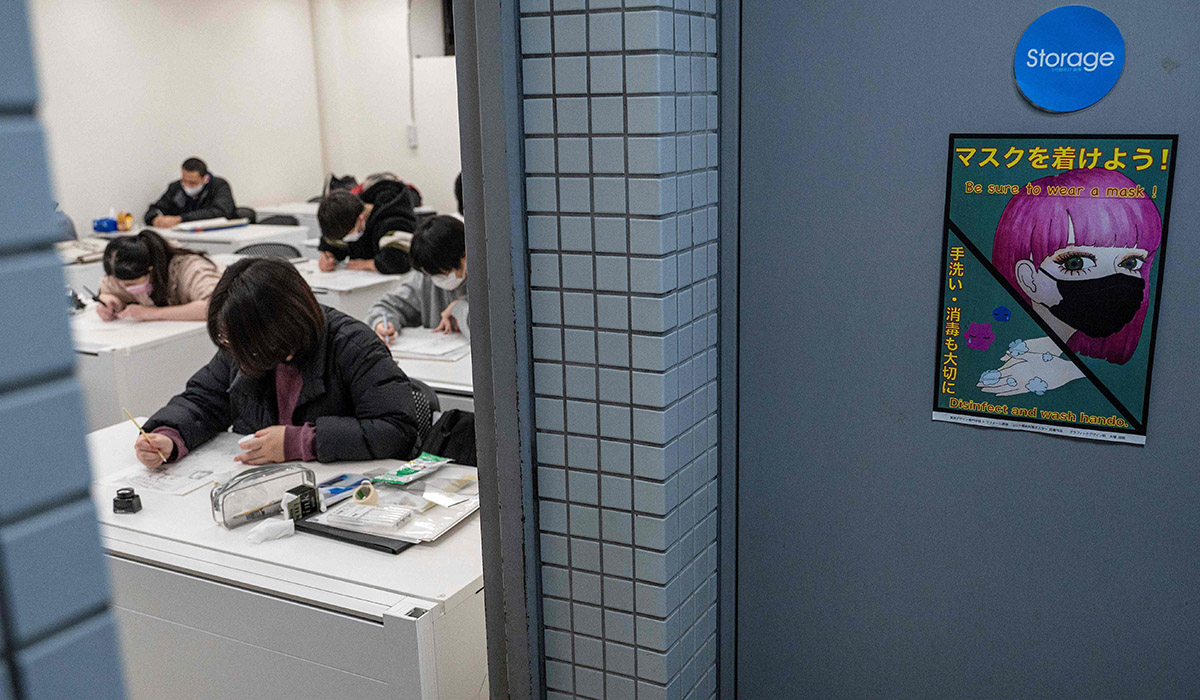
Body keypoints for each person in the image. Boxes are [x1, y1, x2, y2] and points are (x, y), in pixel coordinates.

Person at [133, 257, 422, 468]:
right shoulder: (243, 343)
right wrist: (169, 436)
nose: (235, 351)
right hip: (269, 487)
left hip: (346, 490)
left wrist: (300, 442)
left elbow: (396, 430)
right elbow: (204, 399)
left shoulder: (353, 346)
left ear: (277, 330)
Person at [979, 168, 1162, 396]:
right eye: (1076, 263)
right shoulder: (993, 344)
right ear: (1029, 279)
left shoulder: (1071, 359)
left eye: (1130, 263)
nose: (1114, 281)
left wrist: (1071, 371)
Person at [366, 215, 469, 344]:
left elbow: (489, 331)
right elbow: (387, 305)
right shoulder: (427, 275)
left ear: (464, 255)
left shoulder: (489, 279)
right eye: (433, 274)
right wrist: (381, 323)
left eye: (444, 272)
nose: (438, 279)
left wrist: (457, 308)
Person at [96, 230, 222, 322]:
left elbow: (215, 307)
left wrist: (153, 313)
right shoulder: (125, 272)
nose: (127, 288)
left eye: (131, 284)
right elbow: (109, 290)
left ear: (150, 269)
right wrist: (112, 303)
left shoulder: (191, 268)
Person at [316, 178, 418, 274]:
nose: (347, 239)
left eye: (348, 235)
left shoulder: (394, 218)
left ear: (360, 219)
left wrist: (367, 264)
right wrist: (328, 255)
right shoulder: (349, 215)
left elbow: (399, 260)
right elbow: (334, 241)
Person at [144, 157, 237, 227]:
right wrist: (155, 219)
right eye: (184, 180)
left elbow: (220, 211)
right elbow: (157, 208)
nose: (186, 185)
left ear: (206, 179)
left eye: (193, 183)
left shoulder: (219, 185)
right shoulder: (176, 187)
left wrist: (181, 219)